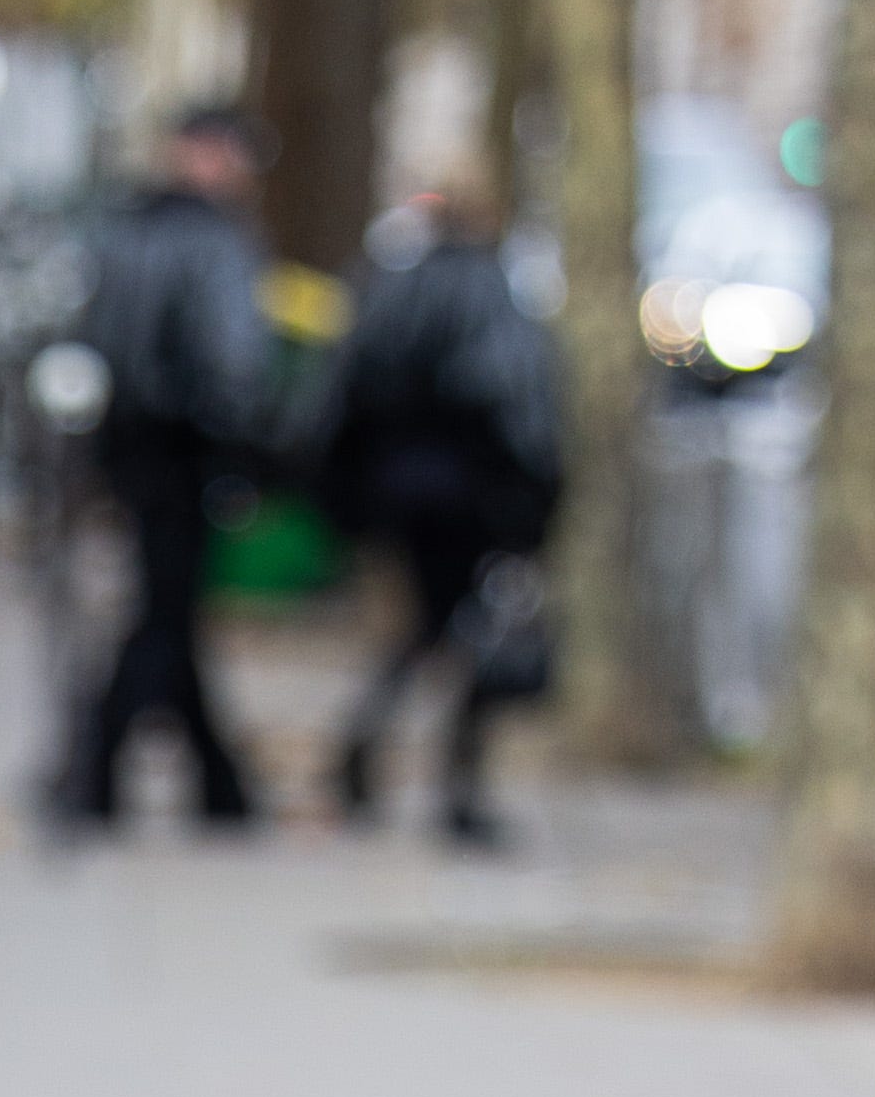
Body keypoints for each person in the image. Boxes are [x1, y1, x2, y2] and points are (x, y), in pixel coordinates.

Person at [319, 181, 566, 847]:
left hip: (400, 494)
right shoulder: (495, 295)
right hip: (473, 499)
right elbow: (522, 404)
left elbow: (345, 390)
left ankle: (364, 755)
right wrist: (538, 497)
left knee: (426, 630)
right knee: (463, 633)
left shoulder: (390, 288)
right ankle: (456, 785)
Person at [63, 97, 280, 829]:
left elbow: (89, 342)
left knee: (168, 611)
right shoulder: (217, 243)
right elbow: (234, 361)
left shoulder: (123, 231)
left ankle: (217, 787)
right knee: (165, 614)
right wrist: (243, 450)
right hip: (189, 453)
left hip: (130, 450)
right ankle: (93, 769)